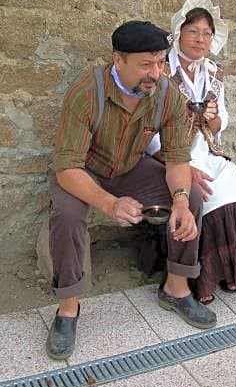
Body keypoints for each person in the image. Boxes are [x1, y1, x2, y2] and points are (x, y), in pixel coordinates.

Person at [46, 20, 217, 361]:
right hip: (83, 172)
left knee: (193, 197)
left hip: (129, 167)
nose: (155, 72)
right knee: (66, 216)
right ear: (117, 60)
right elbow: (67, 168)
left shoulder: (166, 92)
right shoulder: (86, 92)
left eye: (160, 62)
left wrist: (181, 201)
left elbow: (176, 158)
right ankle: (67, 309)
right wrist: (109, 204)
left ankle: (176, 288)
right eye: (145, 64)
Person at [146, 0, 236, 304]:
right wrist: (182, 167)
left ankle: (232, 272)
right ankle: (200, 280)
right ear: (179, 33)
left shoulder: (213, 71)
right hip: (170, 155)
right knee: (208, 200)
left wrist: (210, 119)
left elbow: (221, 118)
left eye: (207, 33)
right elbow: (148, 131)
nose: (200, 39)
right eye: (193, 31)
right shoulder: (162, 73)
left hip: (208, 151)